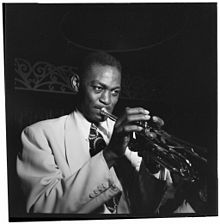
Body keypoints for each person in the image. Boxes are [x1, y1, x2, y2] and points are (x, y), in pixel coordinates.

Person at [17, 51, 196, 215]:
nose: (107, 101)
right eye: (98, 88)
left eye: (115, 92)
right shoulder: (38, 135)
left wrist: (152, 164)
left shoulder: (129, 132)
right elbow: (42, 208)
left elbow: (147, 205)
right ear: (76, 84)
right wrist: (109, 154)